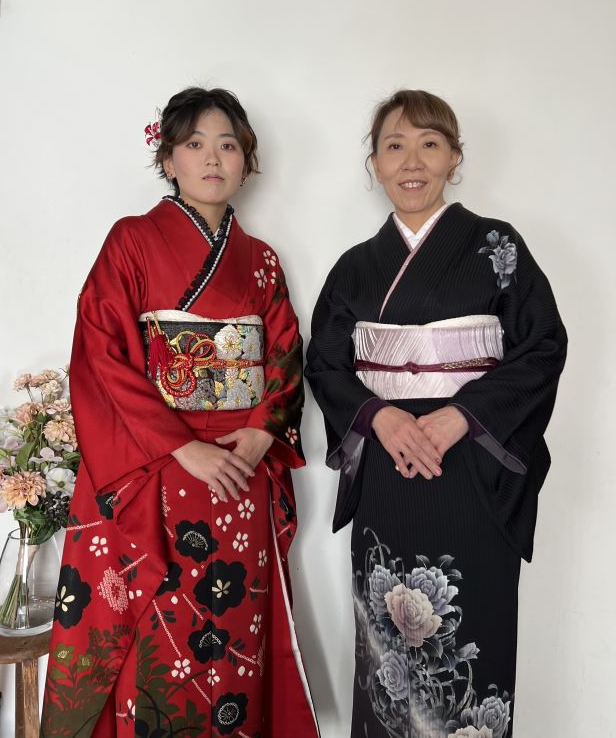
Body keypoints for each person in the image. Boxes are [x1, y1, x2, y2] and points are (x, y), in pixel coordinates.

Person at [41, 88, 318, 737]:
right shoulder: (132, 240)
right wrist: (181, 446)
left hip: (241, 469)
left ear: (247, 161)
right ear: (168, 159)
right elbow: (101, 354)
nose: (213, 158)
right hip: (157, 468)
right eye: (195, 144)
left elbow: (284, 352)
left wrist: (262, 430)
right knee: (159, 627)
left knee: (237, 630)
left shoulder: (261, 259)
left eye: (228, 145)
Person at [305, 89, 567, 738]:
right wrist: (377, 415)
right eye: (394, 146)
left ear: (454, 157)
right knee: (386, 656)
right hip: (388, 473)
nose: (412, 161)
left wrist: (463, 415)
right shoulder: (354, 269)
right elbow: (325, 364)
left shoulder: (498, 246)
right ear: (374, 163)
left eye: (430, 143)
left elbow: (543, 344)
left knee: (474, 641)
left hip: (473, 472)